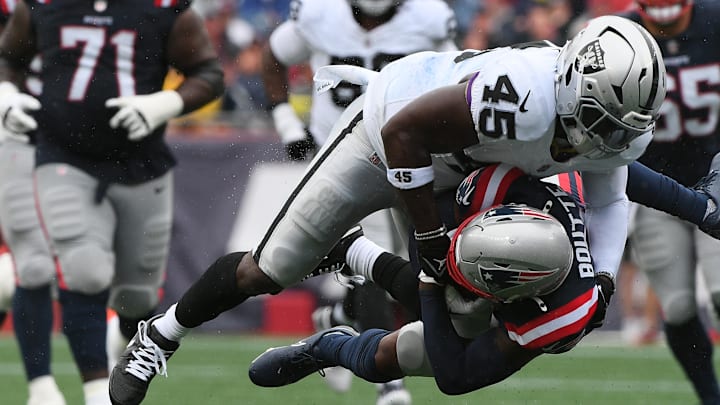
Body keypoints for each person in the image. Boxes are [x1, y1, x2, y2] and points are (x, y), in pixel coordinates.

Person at [108, 15, 714, 405]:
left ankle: (355, 298)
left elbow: (609, 194)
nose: (604, 137)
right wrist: (427, 239)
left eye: (617, 127)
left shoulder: (611, 126)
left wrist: (603, 278)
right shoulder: (522, 95)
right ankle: (160, 335)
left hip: (471, 166)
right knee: (269, 269)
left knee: (467, 305)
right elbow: (405, 135)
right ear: (572, 83)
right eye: (598, 119)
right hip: (386, 134)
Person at [0, 2, 224, 404]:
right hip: (59, 153)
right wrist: (6, 96)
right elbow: (8, 58)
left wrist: (164, 104)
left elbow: (209, 73)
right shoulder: (44, 6)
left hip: (142, 162)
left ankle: (116, 339)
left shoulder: (163, 8)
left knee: (138, 297)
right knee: (80, 269)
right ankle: (88, 392)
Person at [248, 163, 609, 393]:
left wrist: (431, 287)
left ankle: (337, 318)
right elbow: (624, 184)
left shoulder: (562, 314)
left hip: (530, 320)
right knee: (410, 335)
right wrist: (436, 270)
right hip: (462, 217)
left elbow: (456, 377)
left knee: (422, 340)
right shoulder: (517, 182)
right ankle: (329, 338)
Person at [261, 0, 457, 401]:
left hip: (409, 152)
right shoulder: (319, 13)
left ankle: (338, 316)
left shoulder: (429, 17)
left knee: (414, 262)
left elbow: (457, 78)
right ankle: (390, 384)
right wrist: (285, 121)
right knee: (376, 256)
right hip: (343, 152)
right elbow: (273, 57)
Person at [622, 1, 720, 404]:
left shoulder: (715, 20)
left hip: (716, 180)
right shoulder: (620, 35)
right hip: (656, 191)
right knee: (678, 307)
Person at [0, 3, 65, 404]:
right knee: (23, 269)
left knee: (27, 268)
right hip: (15, 133)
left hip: (41, 135)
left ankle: (43, 387)